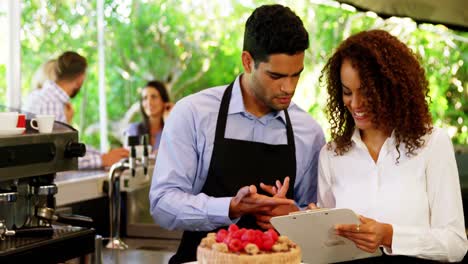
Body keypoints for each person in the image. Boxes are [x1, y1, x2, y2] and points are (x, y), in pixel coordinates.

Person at [149, 4, 325, 263]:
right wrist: (229, 207)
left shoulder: (308, 132)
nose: (289, 87)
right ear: (247, 61)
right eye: (276, 76)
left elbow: (315, 219)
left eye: (296, 75)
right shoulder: (194, 114)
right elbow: (163, 204)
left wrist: (294, 217)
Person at [316, 29, 467, 262]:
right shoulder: (331, 155)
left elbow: (455, 244)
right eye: (347, 92)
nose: (355, 103)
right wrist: (312, 227)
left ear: (391, 89)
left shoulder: (432, 144)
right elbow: (326, 249)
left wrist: (390, 236)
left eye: (366, 93)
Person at [25, 51, 129, 169]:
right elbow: (59, 156)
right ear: (80, 78)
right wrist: (102, 159)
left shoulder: (41, 96)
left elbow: (69, 146)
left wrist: (103, 155)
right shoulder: (51, 103)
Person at [125, 80, 173, 152]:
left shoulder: (171, 129)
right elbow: (128, 157)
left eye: (153, 97)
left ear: (164, 100)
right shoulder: (133, 130)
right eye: (145, 98)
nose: (149, 102)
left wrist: (169, 120)